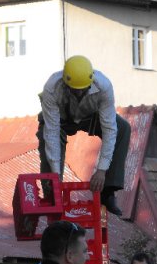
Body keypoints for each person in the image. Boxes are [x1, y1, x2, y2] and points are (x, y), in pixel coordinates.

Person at [36, 56, 131, 216]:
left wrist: (101, 170)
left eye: (83, 89)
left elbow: (109, 129)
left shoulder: (104, 86)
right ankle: (52, 194)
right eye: (75, 89)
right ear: (65, 83)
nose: (79, 93)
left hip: (90, 116)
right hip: (60, 118)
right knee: (46, 138)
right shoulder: (52, 88)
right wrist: (55, 176)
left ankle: (107, 192)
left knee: (122, 127)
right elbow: (52, 133)